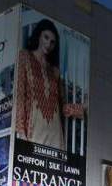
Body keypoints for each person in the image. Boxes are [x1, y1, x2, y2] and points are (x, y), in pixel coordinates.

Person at [15, 19, 85, 150]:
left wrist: (82, 108)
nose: (48, 44)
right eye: (46, 37)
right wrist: (21, 134)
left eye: (52, 42)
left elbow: (62, 107)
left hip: (55, 134)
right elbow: (20, 96)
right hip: (33, 131)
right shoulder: (24, 57)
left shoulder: (55, 71)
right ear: (39, 36)